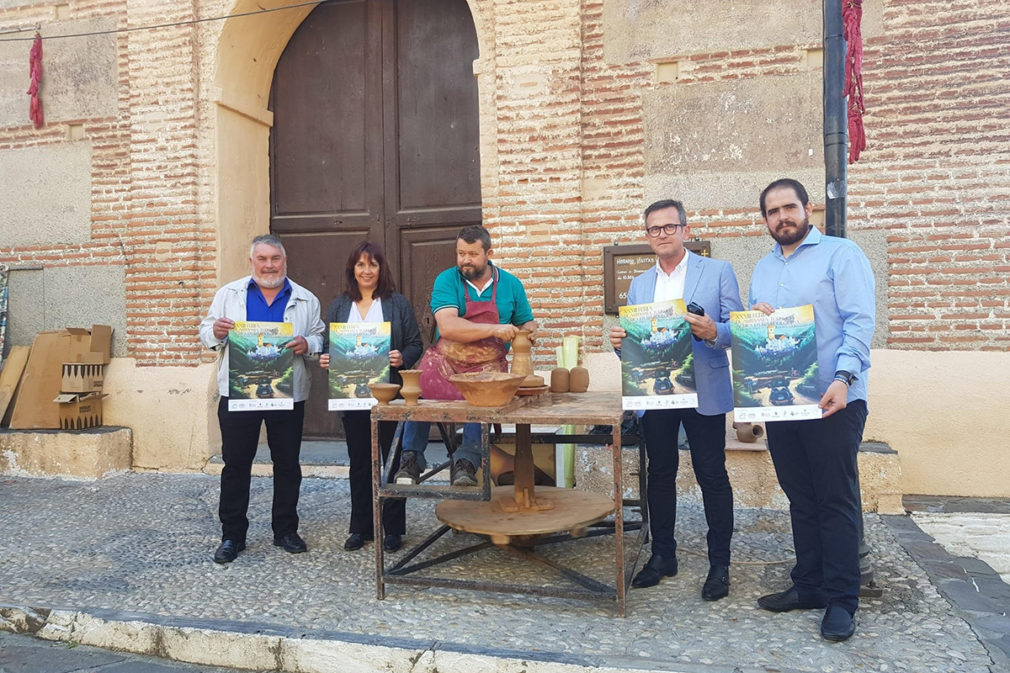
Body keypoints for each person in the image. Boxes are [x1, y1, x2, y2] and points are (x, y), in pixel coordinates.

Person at [749, 178, 875, 642]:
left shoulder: (842, 255)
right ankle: (809, 586)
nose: (782, 217)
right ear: (764, 219)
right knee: (801, 498)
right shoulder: (762, 269)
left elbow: (860, 322)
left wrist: (843, 380)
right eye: (772, 211)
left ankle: (843, 599)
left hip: (833, 399)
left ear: (807, 209)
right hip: (785, 404)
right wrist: (757, 319)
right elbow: (762, 341)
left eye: (789, 208)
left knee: (835, 500)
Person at [608, 199, 743, 601]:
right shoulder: (639, 285)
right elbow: (636, 348)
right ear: (646, 236)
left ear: (685, 229)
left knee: (712, 475)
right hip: (658, 392)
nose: (662, 234)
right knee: (659, 473)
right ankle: (663, 555)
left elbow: (736, 329)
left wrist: (711, 330)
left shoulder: (717, 272)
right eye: (654, 229)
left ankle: (720, 564)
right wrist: (619, 344)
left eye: (669, 227)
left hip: (704, 389)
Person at [199, 234, 325, 564]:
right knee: (236, 464)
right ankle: (232, 536)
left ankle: (285, 530)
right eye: (262, 259)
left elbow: (319, 336)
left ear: (285, 261)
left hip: (287, 393)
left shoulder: (306, 299)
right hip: (240, 393)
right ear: (252, 261)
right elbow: (205, 333)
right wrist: (217, 332)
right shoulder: (228, 295)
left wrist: (307, 345)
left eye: (275, 259)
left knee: (287, 463)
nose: (269, 265)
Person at [395, 225, 538, 486]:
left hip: (488, 366)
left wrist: (528, 333)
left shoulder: (511, 284)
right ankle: (411, 459)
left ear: (489, 253)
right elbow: (448, 326)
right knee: (416, 394)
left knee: (483, 398)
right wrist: (495, 328)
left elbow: (526, 323)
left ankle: (466, 462)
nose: (465, 260)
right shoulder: (447, 280)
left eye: (472, 254)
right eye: (460, 253)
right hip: (445, 362)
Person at [319, 241, 423, 553]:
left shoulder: (397, 304)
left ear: (381, 269)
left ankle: (393, 529)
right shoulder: (339, 306)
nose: (367, 271)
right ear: (353, 269)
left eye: (373, 265)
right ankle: (360, 527)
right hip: (351, 399)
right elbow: (328, 348)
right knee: (360, 463)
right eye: (361, 265)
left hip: (388, 397)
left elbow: (416, 344)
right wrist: (326, 359)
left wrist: (400, 356)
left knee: (391, 463)